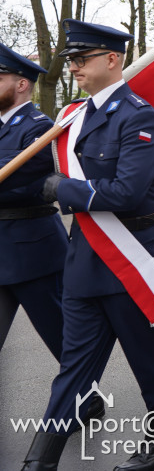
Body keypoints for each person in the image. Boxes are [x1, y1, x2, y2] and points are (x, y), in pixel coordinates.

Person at [23, 21, 154, 471]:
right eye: (70, 60)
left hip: (130, 253)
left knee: (148, 360)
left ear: (112, 60)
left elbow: (127, 192)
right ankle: (40, 460)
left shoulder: (138, 115)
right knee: (74, 368)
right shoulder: (72, 116)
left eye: (81, 59)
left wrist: (61, 189)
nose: (73, 68)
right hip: (86, 257)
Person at [0, 44, 69, 359]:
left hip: (33, 251)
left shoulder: (40, 128)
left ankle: (86, 393)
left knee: (61, 335)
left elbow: (24, 184)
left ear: (21, 84)